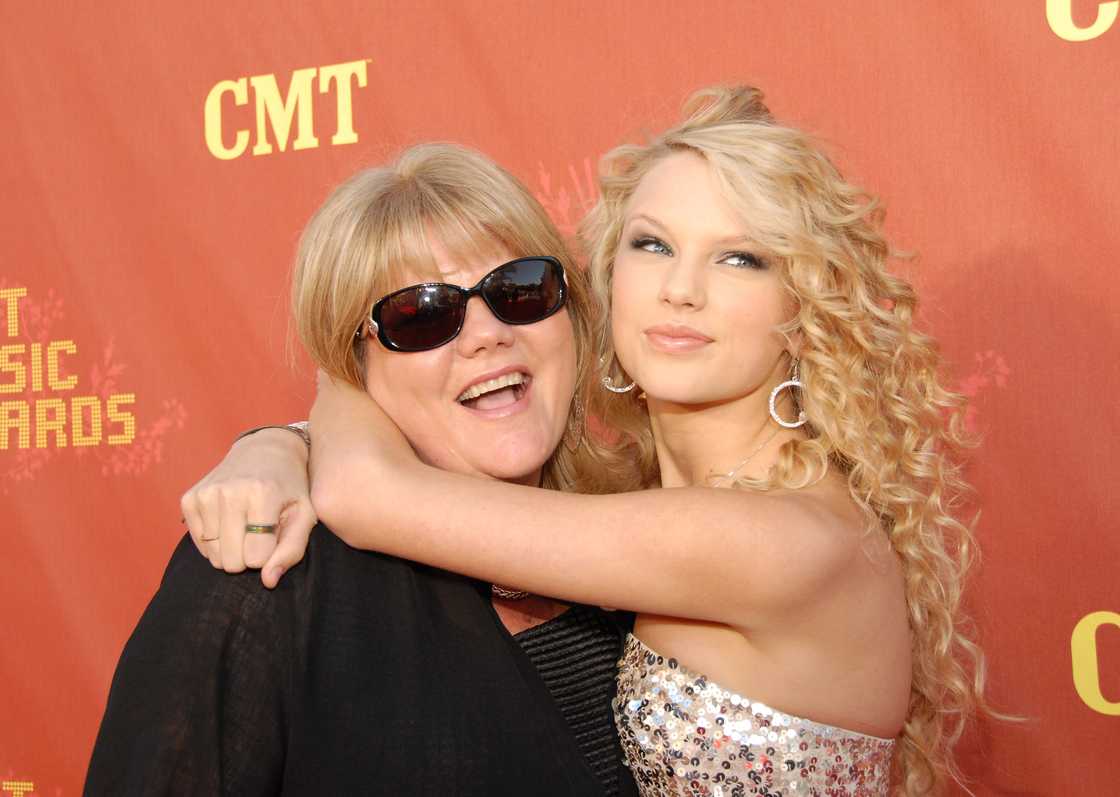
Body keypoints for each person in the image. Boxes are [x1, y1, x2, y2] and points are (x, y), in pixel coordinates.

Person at [188, 86, 988, 795]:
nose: (682, 287)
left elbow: (370, 495)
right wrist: (282, 442)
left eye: (742, 258)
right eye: (653, 243)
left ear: (807, 305)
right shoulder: (628, 514)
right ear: (604, 275)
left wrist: (330, 380)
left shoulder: (784, 538)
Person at [85, 143, 639, 796]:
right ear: (355, 369)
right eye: (424, 315)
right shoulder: (274, 577)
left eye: (519, 289)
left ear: (569, 314)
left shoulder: (639, 560)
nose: (488, 332)